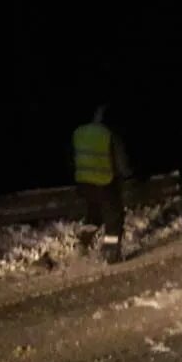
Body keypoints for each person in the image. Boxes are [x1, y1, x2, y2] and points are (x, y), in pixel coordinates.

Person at [73, 105, 129, 263]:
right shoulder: (108, 134)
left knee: (93, 214)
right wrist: (126, 174)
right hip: (105, 181)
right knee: (114, 218)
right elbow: (120, 160)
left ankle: (82, 245)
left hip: (84, 182)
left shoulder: (78, 133)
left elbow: (72, 158)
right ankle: (111, 254)